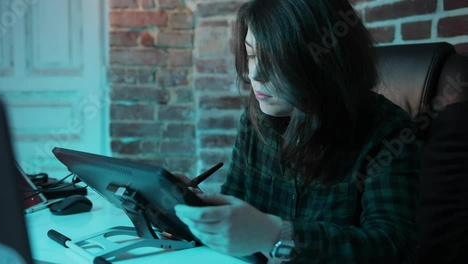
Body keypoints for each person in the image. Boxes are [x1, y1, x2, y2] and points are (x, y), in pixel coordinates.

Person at [174, 0, 420, 263]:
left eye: (274, 59)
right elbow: (236, 200)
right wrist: (197, 207)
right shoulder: (255, 118)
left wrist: (278, 235)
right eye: (252, 55)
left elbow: (392, 245)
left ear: (324, 61)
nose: (254, 74)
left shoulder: (387, 131)